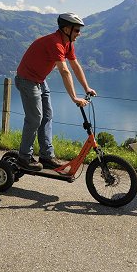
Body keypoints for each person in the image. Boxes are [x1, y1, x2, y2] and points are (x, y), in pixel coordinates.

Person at [14, 13, 97, 171]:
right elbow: (65, 71)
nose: (79, 33)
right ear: (66, 29)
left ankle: (46, 156)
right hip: (27, 80)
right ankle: (24, 157)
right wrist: (74, 97)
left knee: (47, 116)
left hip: (39, 80)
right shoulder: (56, 43)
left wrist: (86, 88)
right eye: (77, 30)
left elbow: (75, 65)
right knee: (35, 118)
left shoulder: (67, 43)